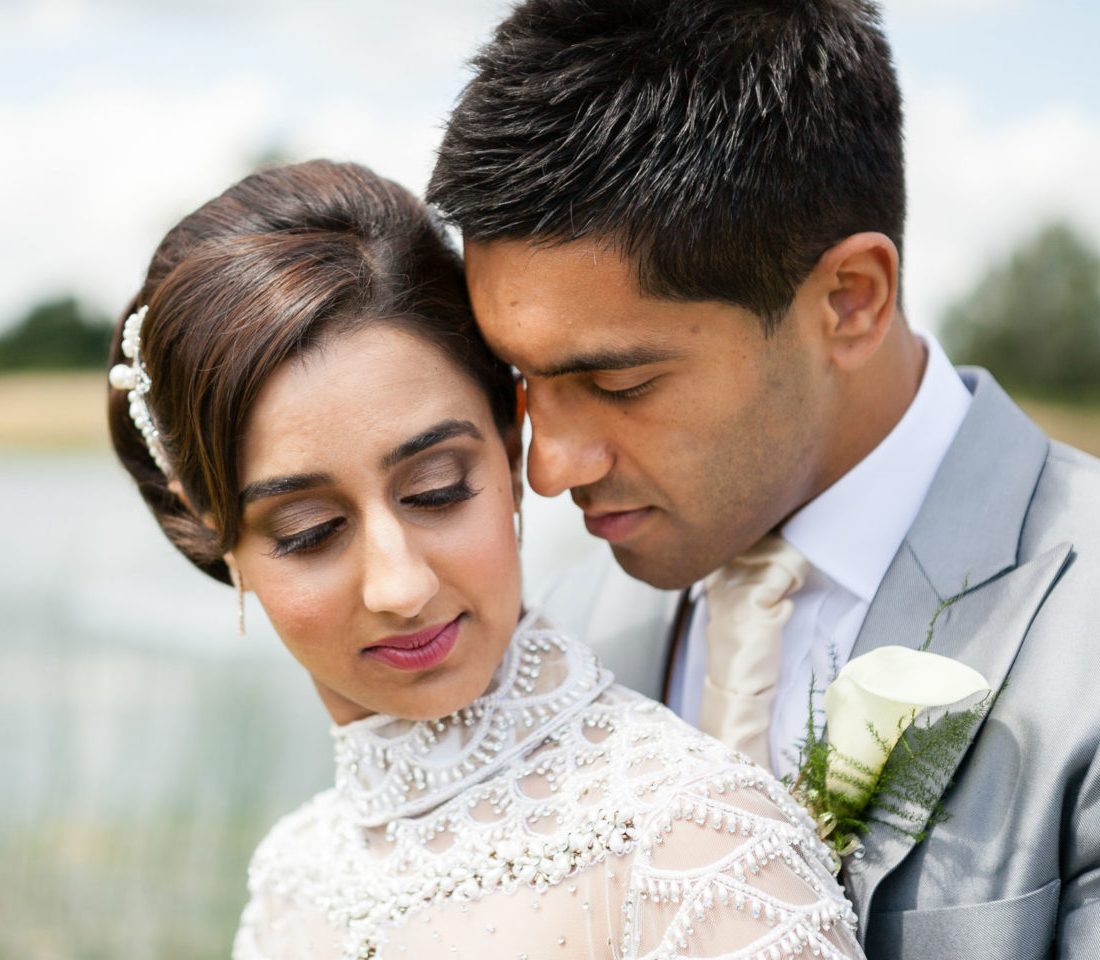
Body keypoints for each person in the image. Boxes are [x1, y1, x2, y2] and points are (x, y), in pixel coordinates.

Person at [426, 1, 1100, 957]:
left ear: (851, 300)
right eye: (522, 383)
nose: (548, 468)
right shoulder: (555, 642)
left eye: (619, 384)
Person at [107, 159, 862, 959]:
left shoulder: (693, 840)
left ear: (510, 449)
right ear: (213, 530)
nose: (401, 587)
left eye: (435, 490)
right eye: (309, 531)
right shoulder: (290, 882)